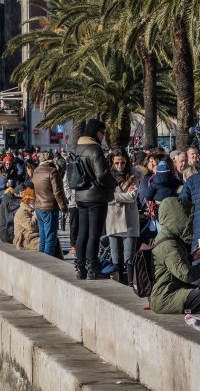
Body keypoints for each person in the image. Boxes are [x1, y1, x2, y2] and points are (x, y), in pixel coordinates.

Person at [149, 197, 200, 315]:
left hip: (173, 290)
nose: (189, 222)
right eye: (186, 217)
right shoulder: (168, 244)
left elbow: (173, 266)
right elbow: (187, 275)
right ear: (177, 217)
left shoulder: (169, 237)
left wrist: (191, 258)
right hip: (165, 297)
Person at [74, 119, 116, 280]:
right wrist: (114, 182)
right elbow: (102, 175)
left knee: (82, 233)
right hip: (96, 197)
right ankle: (92, 269)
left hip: (81, 196)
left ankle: (80, 269)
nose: (104, 135)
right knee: (94, 234)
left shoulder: (78, 148)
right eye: (102, 132)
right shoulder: (94, 149)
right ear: (95, 131)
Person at [106, 149, 140, 285]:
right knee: (116, 256)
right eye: (117, 163)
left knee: (129, 256)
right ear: (112, 162)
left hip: (129, 219)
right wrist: (122, 196)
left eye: (123, 162)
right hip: (113, 219)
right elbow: (104, 196)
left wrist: (113, 196)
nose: (120, 165)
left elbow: (132, 197)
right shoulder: (107, 176)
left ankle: (131, 283)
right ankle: (119, 283)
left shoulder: (134, 175)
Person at [31, 152, 67, 256]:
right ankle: (47, 262)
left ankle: (41, 261)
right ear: (51, 161)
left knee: (43, 238)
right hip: (50, 207)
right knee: (50, 239)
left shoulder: (36, 171)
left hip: (39, 207)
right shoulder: (52, 172)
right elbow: (58, 192)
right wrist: (64, 207)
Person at [13, 184, 40, 250]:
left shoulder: (30, 210)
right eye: (34, 200)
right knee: (46, 243)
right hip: (25, 239)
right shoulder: (22, 211)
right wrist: (35, 215)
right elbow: (31, 226)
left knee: (52, 240)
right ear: (28, 200)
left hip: (32, 236)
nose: (37, 202)